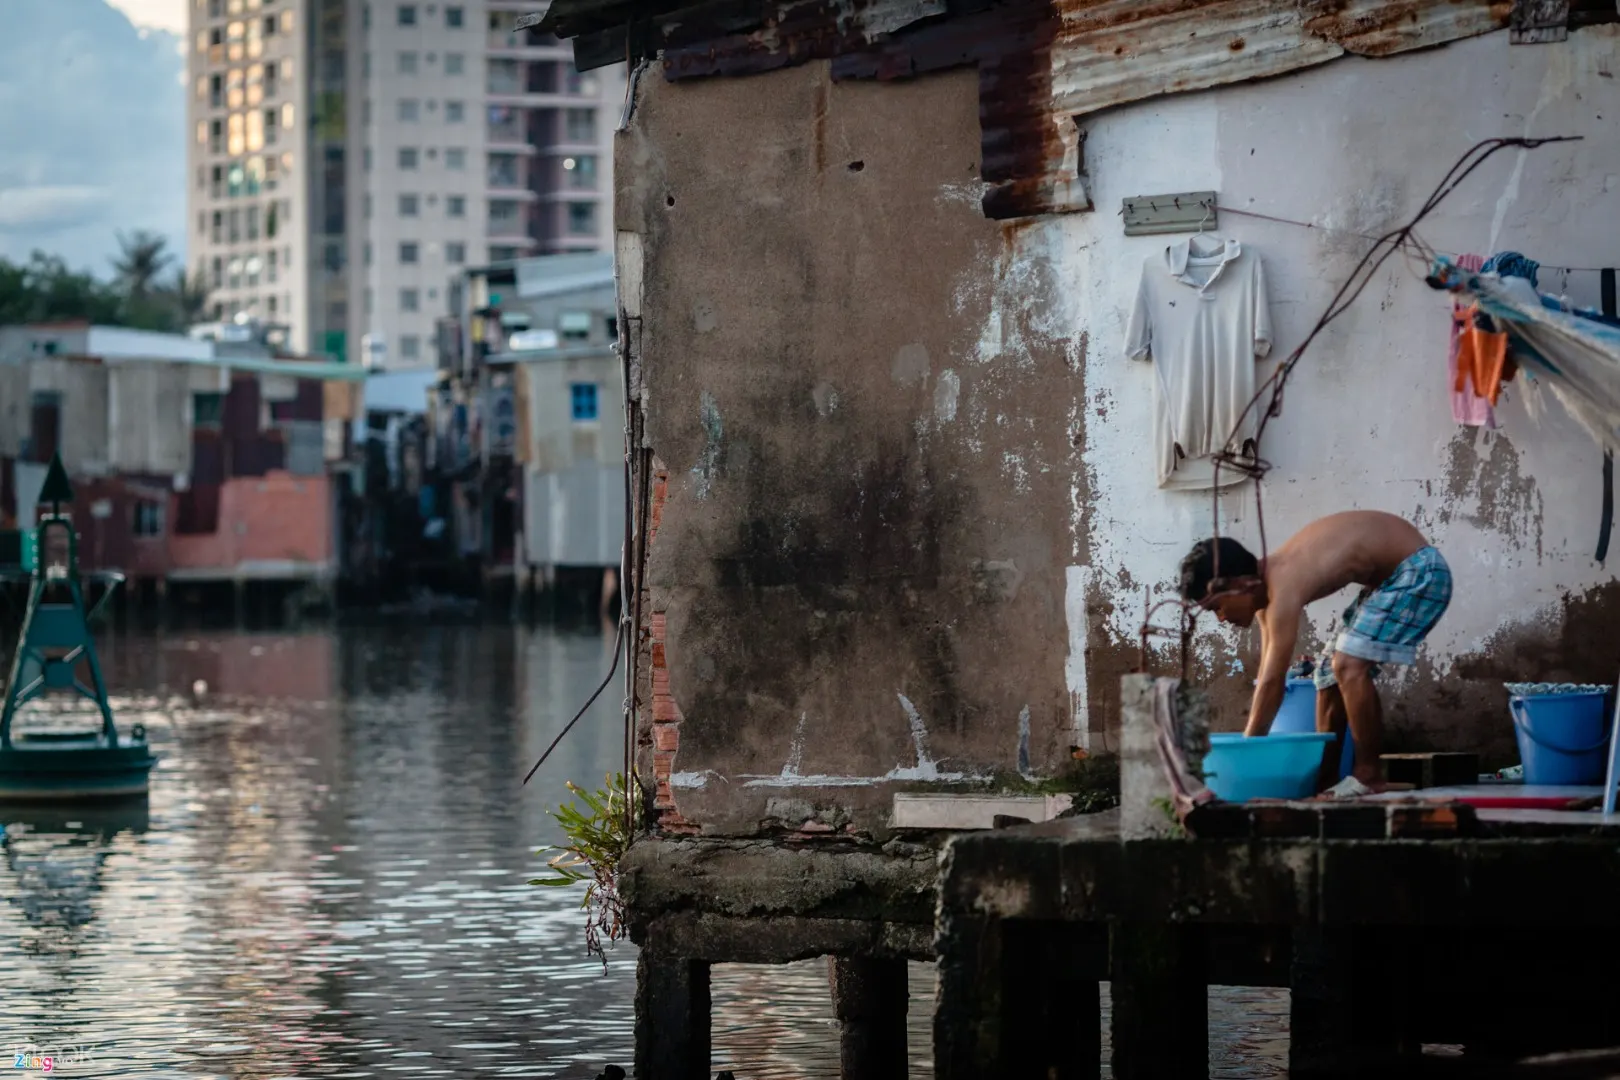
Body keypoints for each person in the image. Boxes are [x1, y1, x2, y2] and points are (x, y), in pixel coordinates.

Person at [1176, 511, 1453, 797]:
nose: (1221, 618)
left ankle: (1369, 774)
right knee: (1327, 674)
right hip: (1387, 582)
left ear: (1236, 585)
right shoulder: (1267, 604)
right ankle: (1326, 779)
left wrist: (1247, 755)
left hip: (1419, 571)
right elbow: (1269, 678)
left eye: (1216, 607)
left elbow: (1272, 685)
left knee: (1348, 664)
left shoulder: (1281, 584)